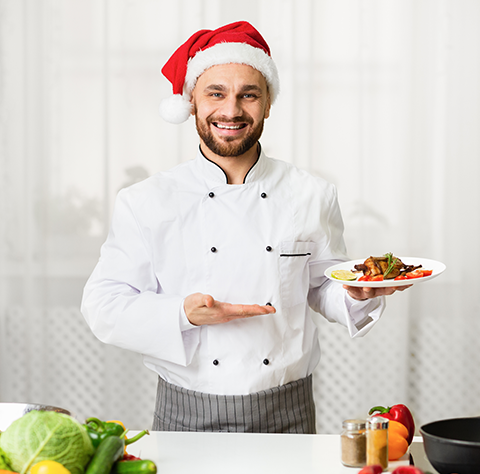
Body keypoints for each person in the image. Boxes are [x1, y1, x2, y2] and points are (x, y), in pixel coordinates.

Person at [81, 21, 407, 434]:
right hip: (184, 409)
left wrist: (356, 293)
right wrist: (183, 313)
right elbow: (103, 305)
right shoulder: (146, 200)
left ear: (268, 103)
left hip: (286, 409)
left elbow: (323, 287)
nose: (231, 110)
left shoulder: (311, 194)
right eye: (215, 93)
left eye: (248, 95)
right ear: (192, 103)